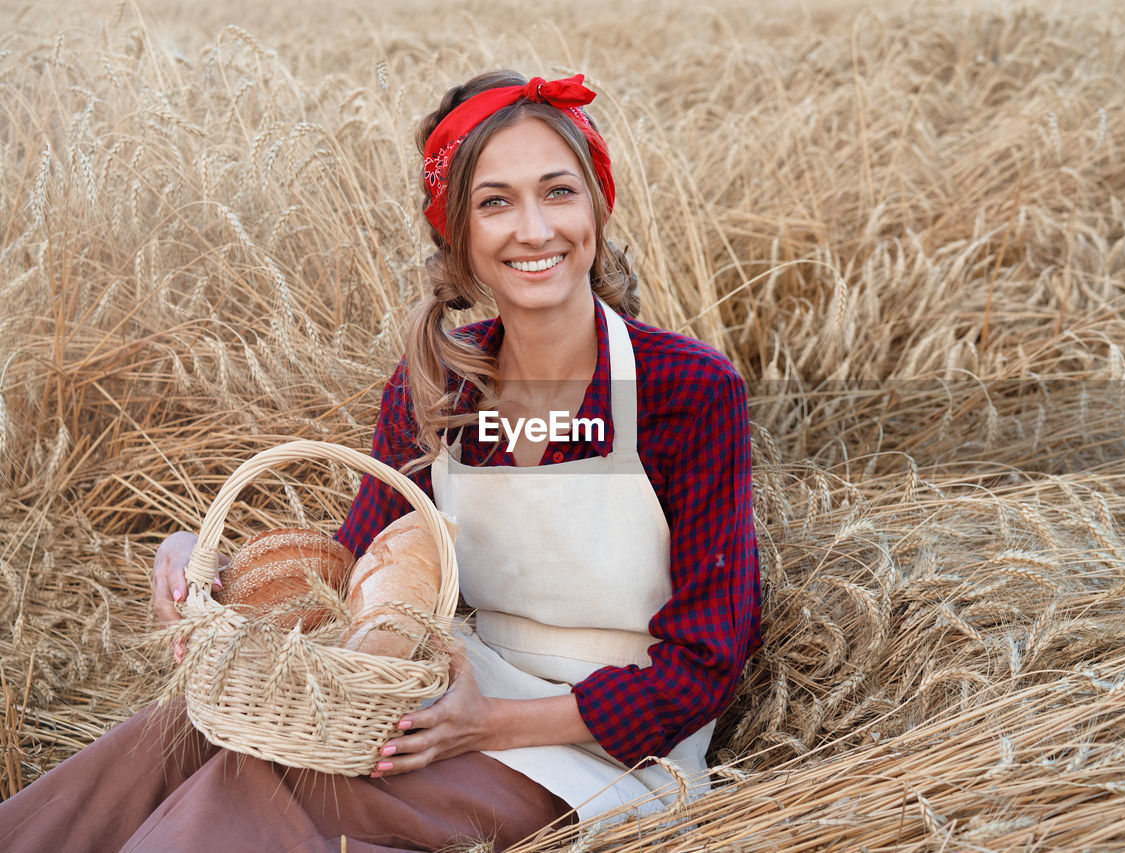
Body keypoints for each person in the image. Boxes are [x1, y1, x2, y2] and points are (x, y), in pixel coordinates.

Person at [0, 70, 760, 852]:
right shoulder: (441, 380)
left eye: (558, 192)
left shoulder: (686, 388)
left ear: (596, 207)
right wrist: (207, 563)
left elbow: (706, 663)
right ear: (457, 234)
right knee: (181, 732)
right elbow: (355, 562)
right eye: (495, 202)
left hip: (598, 747)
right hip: (449, 689)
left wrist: (486, 724)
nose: (534, 229)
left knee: (265, 777)